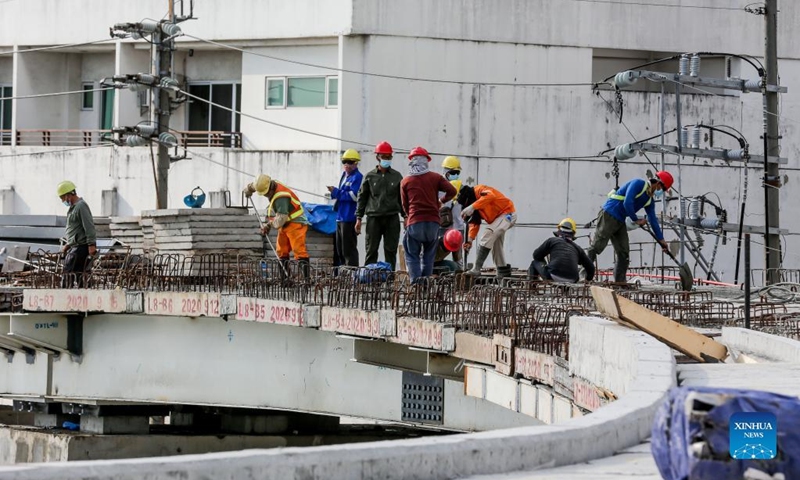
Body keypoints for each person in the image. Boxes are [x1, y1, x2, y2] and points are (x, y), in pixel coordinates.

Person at [587, 171, 673, 283]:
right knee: (597, 246)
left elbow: (653, 220)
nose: (661, 192)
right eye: (663, 189)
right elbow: (627, 203)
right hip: (609, 215)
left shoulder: (649, 201)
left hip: (620, 220)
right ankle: (585, 275)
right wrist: (636, 220)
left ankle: (620, 282)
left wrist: (661, 240)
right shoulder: (638, 184)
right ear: (658, 184)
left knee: (624, 252)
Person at [400, 146, 457, 283]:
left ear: (412, 161)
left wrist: (410, 217)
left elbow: (405, 206)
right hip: (433, 223)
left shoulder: (406, 181)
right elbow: (452, 191)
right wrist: (440, 201)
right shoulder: (435, 177)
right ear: (426, 161)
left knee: (411, 253)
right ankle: (425, 282)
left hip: (415, 222)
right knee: (428, 255)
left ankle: (416, 283)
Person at [243, 174, 310, 278]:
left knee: (299, 251)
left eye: (265, 194)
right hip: (285, 222)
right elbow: (256, 185)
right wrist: (248, 189)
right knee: (282, 251)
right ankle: (285, 279)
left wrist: (268, 225)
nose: (265, 196)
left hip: (295, 223)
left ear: (270, 188)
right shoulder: (267, 183)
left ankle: (306, 280)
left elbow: (280, 220)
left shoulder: (281, 197)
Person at [355, 141, 405, 270]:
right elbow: (362, 198)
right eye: (384, 157)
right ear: (378, 157)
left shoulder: (397, 176)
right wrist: (358, 219)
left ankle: (389, 279)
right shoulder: (369, 177)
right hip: (373, 218)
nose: (387, 160)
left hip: (392, 218)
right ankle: (370, 279)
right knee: (371, 250)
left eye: (389, 157)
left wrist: (406, 217)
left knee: (390, 250)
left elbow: (402, 199)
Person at [459, 184, 517, 278]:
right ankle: (503, 277)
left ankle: (476, 268)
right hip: (497, 220)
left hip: (507, 213)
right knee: (496, 247)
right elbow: (474, 223)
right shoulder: (472, 202)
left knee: (489, 233)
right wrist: (469, 240)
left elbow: (491, 195)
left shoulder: (480, 189)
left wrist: (472, 207)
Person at [528, 218, 595, 283]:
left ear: (559, 230)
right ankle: (565, 291)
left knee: (535, 262)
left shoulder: (552, 241)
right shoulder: (577, 248)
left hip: (552, 276)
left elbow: (536, 255)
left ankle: (532, 288)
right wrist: (588, 279)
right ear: (573, 234)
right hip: (572, 279)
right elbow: (591, 268)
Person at [327, 149, 363, 267]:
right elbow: (342, 193)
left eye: (350, 162)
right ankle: (344, 272)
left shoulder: (357, 177)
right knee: (340, 249)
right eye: (345, 162)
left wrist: (336, 192)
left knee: (349, 249)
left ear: (356, 163)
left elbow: (354, 196)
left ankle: (352, 272)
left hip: (349, 217)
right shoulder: (344, 176)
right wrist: (334, 192)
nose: (347, 164)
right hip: (340, 216)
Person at [58, 180, 96, 288]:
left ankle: (65, 297)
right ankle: (78, 299)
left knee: (68, 272)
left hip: (81, 247)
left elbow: (89, 226)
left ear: (68, 195)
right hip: (75, 246)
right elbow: (75, 230)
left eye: (62, 198)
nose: (62, 201)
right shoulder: (73, 208)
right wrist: (68, 245)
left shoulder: (81, 206)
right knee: (79, 275)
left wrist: (91, 245)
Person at [439, 155, 465, 269]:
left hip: (458, 227)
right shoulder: (438, 187)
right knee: (437, 254)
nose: (456, 175)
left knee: (458, 257)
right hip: (443, 228)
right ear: (446, 172)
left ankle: (460, 277)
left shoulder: (462, 188)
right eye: (454, 172)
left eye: (457, 172)